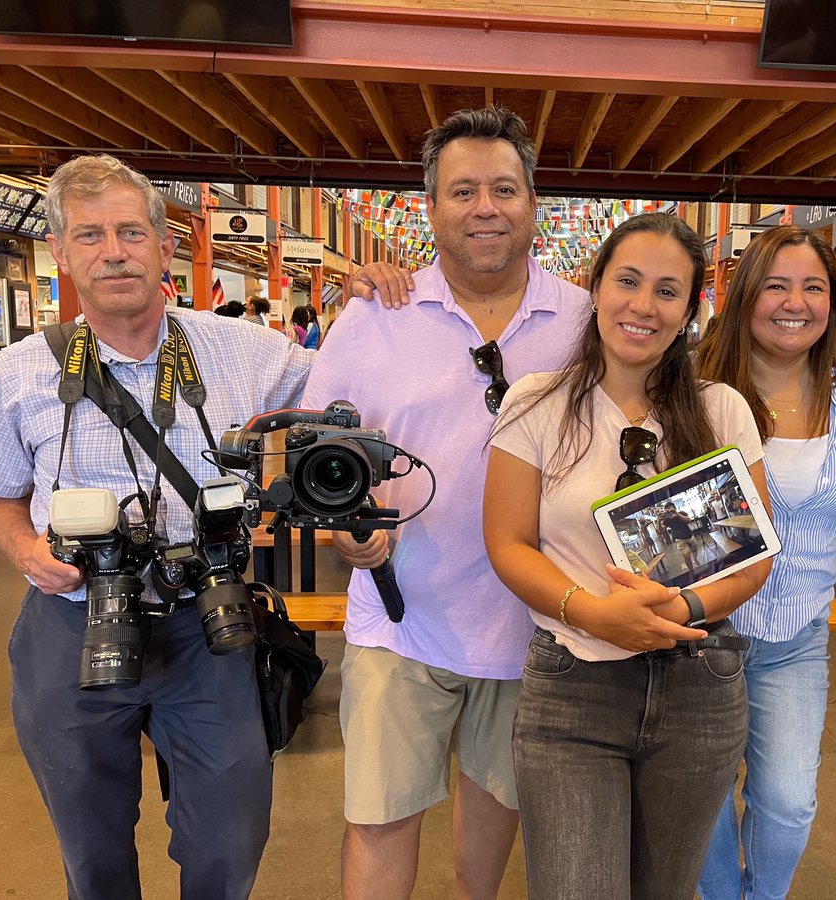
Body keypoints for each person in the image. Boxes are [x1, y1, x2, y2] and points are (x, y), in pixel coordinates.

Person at [0, 153, 314, 898]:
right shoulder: (18, 373)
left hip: (207, 623)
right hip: (72, 625)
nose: (114, 250)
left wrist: (392, 302)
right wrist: (29, 553)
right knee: (91, 850)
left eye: (131, 231)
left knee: (231, 836)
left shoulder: (248, 352)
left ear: (165, 245)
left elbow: (350, 390)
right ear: (61, 252)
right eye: (89, 236)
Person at [307, 106, 587, 900]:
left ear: (535, 202)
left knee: (494, 819)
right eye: (463, 191)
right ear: (430, 208)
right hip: (398, 621)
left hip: (532, 623)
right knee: (379, 817)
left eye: (504, 188)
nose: (485, 207)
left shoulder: (583, 321)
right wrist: (344, 534)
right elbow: (317, 455)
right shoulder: (370, 318)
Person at [483, 213, 772, 899]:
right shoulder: (537, 404)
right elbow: (506, 542)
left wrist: (685, 606)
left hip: (698, 685)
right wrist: (592, 615)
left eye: (668, 291)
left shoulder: (719, 409)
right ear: (596, 287)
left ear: (690, 310)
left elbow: (753, 559)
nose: (643, 305)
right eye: (629, 282)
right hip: (572, 694)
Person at [694, 224, 836, 900]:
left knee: (787, 801)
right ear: (746, 295)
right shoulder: (693, 391)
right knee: (704, 798)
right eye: (776, 285)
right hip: (700, 636)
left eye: (813, 287)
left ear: (833, 302)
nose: (794, 302)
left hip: (797, 635)